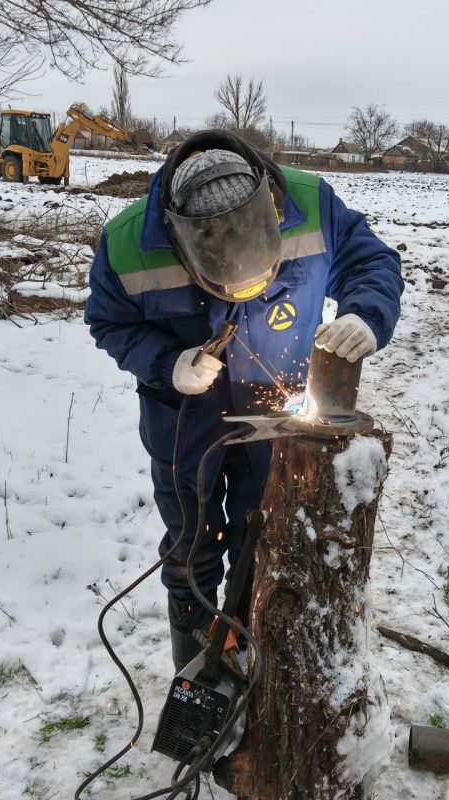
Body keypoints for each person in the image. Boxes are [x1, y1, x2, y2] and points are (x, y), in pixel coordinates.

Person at [85, 130, 404, 671]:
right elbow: (109, 322)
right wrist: (168, 364)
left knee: (268, 539)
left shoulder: (311, 202)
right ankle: (199, 672)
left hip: (279, 422)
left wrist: (366, 313)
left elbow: (370, 263)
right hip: (183, 424)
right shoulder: (126, 242)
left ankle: (260, 662)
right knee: (192, 547)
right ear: (183, 240)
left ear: (271, 208)